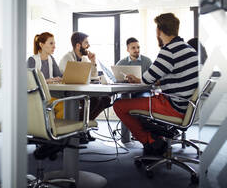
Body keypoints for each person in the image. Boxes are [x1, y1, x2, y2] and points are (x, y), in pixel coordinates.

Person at [113, 13, 199, 155]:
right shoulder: (189, 49)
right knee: (138, 103)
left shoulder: (169, 50)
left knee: (119, 105)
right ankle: (156, 139)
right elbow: (175, 75)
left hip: (173, 106)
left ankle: (150, 142)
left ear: (159, 31)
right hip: (186, 105)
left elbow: (147, 80)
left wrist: (138, 79)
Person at [59, 32, 112, 121]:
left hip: (81, 90)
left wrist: (93, 61)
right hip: (69, 93)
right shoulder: (67, 58)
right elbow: (69, 79)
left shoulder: (84, 58)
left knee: (106, 99)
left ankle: (83, 124)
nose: (89, 45)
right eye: (86, 43)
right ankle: (81, 126)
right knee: (94, 100)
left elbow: (93, 76)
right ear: (78, 45)